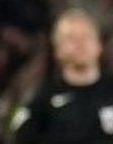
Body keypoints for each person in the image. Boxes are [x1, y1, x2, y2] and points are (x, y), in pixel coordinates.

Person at [9, 8, 113, 143]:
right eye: (71, 38)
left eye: (87, 36)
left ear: (99, 45)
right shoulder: (42, 98)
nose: (80, 44)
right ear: (58, 50)